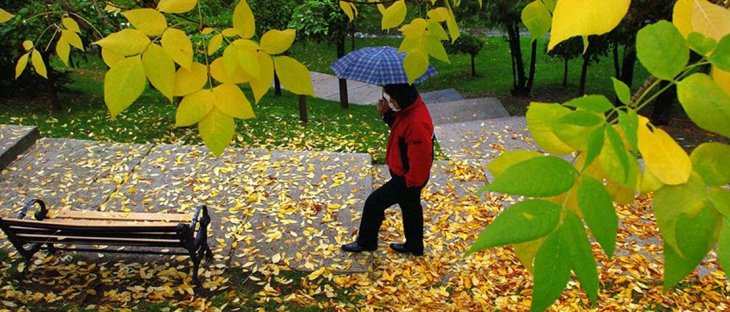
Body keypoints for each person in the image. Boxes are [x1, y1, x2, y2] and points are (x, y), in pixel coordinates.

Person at [341, 83, 434, 256]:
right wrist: (386, 113)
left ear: (402, 97)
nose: (391, 102)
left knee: (374, 203)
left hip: (408, 179)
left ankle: (366, 242)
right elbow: (400, 130)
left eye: (393, 99)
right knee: (411, 208)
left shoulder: (416, 122)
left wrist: (410, 183)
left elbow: (421, 157)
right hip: (407, 175)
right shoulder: (410, 109)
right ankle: (415, 246)